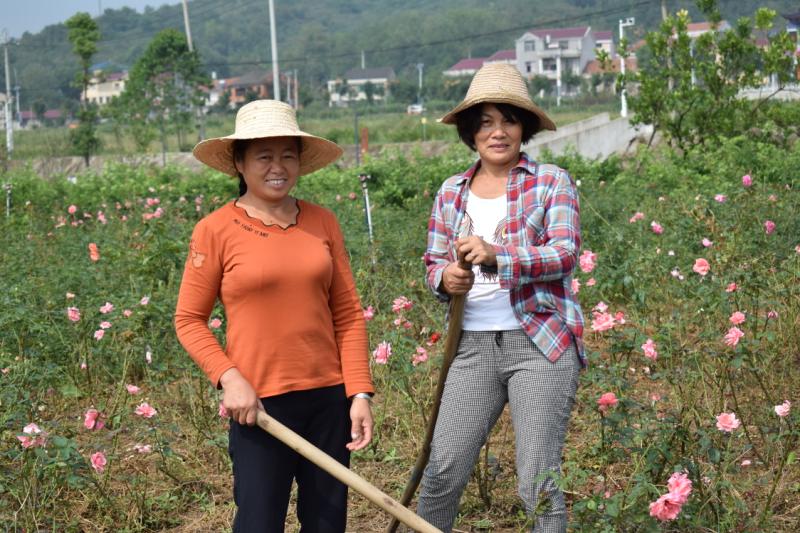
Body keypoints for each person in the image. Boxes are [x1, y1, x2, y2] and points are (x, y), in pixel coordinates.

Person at [175, 100, 374, 532]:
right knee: (259, 522)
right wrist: (230, 378)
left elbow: (348, 314)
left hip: (328, 401)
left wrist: (359, 392)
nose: (277, 166)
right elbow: (189, 319)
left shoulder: (322, 222)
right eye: (264, 156)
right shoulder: (215, 230)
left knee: (326, 522)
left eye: (288, 154)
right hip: (258, 406)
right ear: (239, 163)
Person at [419, 63, 585, 532]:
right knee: (442, 473)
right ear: (471, 132)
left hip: (539, 344)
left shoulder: (552, 181)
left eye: (508, 120)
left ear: (523, 127)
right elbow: (433, 263)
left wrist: (497, 257)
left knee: (537, 481)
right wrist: (446, 278)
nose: (498, 132)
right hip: (471, 346)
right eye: (486, 122)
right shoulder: (451, 191)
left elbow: (564, 253)